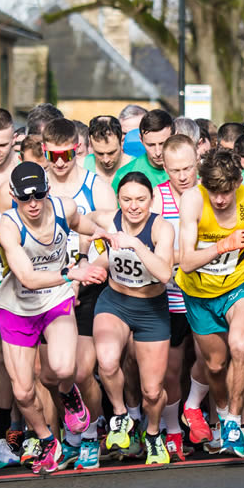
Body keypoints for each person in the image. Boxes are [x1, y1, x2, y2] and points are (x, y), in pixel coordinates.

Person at [176, 148, 244, 457]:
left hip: (240, 284)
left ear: (237, 183)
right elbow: (185, 262)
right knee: (215, 364)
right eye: (214, 192)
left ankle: (234, 424)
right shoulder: (193, 200)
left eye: (226, 192)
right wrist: (223, 245)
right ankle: (223, 413)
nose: (221, 199)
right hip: (199, 292)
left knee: (241, 345)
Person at [0, 160, 101, 473]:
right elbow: (26, 277)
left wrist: (107, 234)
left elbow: (82, 223)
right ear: (13, 195)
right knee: (24, 392)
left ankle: (68, 395)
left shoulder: (63, 208)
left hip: (55, 299)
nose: (33, 204)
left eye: (38, 195)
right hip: (18, 306)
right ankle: (47, 440)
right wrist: (71, 272)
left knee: (64, 367)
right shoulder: (8, 226)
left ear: (47, 190)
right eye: (24, 198)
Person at [90, 172, 177, 465]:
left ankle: (152, 433)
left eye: (141, 199)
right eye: (127, 199)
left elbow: (165, 274)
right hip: (115, 301)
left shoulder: (160, 228)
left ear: (151, 200)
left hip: (151, 308)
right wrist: (89, 246)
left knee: (152, 392)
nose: (134, 206)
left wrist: (134, 244)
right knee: (106, 361)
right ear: (118, 200)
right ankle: (119, 415)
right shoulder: (108, 218)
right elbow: (76, 219)